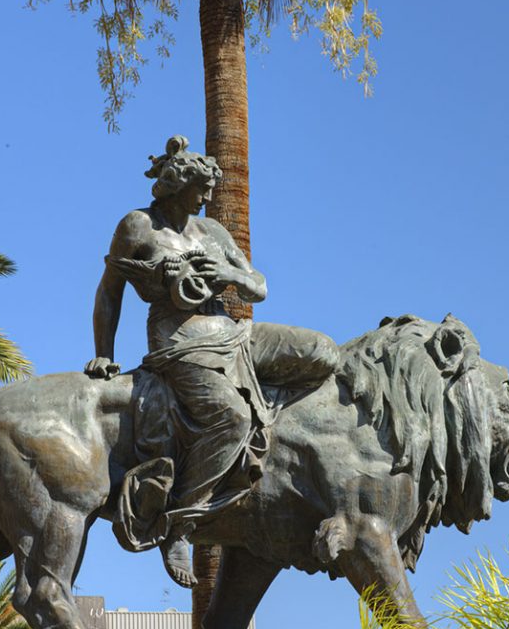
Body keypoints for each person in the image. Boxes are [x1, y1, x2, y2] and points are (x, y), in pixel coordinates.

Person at [85, 135, 337, 588]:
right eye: (201, 187)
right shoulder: (137, 227)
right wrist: (105, 354)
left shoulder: (214, 233)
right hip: (179, 340)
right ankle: (178, 523)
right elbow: (109, 292)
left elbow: (258, 285)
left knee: (322, 352)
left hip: (233, 332)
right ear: (177, 184)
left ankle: (267, 430)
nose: (208, 196)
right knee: (231, 418)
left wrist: (231, 275)